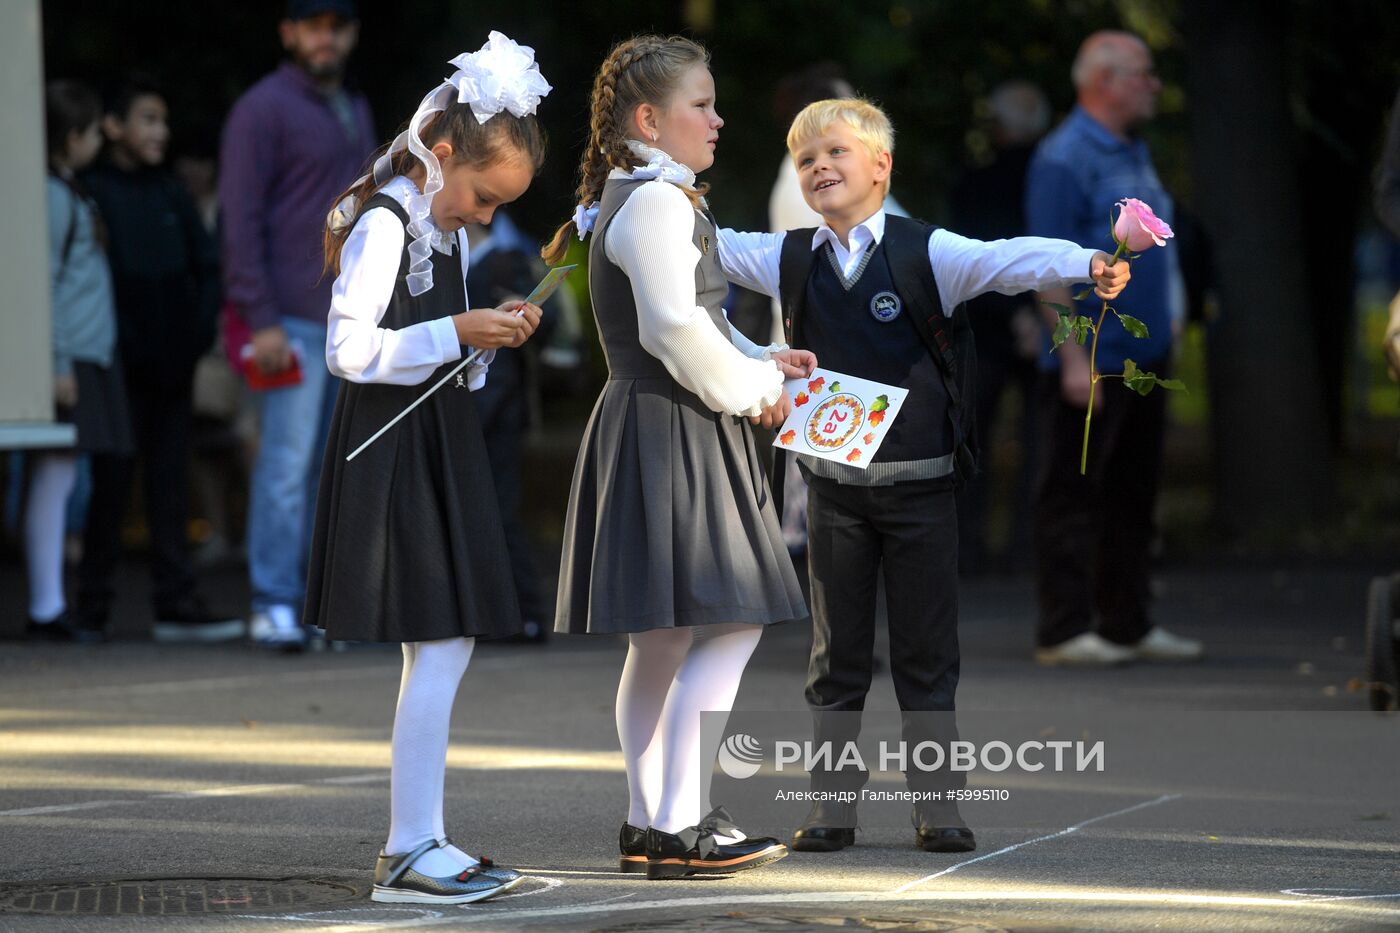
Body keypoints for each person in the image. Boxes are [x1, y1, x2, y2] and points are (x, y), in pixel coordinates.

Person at [715, 97, 1131, 853]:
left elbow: (1009, 258)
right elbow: (694, 245)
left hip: (922, 488)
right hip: (834, 493)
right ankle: (832, 808)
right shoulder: (786, 255)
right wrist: (621, 204)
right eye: (806, 160)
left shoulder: (926, 251)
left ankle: (938, 808)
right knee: (834, 659)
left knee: (926, 654)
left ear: (882, 166)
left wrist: (1086, 263)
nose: (820, 168)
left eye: (836, 152)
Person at [544, 34, 805, 881]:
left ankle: (652, 822)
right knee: (731, 620)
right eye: (703, 103)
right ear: (650, 119)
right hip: (676, 421)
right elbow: (670, 327)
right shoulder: (655, 201)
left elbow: (696, 316)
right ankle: (681, 820)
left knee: (660, 639)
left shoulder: (641, 194)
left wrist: (764, 363)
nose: (718, 119)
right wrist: (747, 389)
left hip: (657, 418)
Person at [303, 31, 549, 904]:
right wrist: (459, 331)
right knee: (440, 638)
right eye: (483, 196)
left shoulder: (444, 227)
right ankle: (408, 849)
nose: (485, 216)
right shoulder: (384, 222)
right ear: (440, 156)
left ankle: (421, 840)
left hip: (436, 437)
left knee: (444, 640)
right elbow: (348, 349)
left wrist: (484, 335)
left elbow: (438, 345)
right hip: (391, 447)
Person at [1025, 31, 1202, 666]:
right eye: (1143, 74)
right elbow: (1044, 265)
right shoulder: (1064, 157)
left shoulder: (1130, 148)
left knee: (1133, 492)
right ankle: (1066, 627)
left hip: (1143, 358)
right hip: (1092, 359)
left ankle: (1127, 621)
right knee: (1074, 492)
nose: (1154, 85)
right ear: (1104, 81)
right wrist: (1072, 358)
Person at [219, 0, 376, 650]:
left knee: (329, 467)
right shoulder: (261, 109)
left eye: (336, 24)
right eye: (312, 25)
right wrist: (259, 318)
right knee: (285, 466)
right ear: (287, 32)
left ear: (352, 33)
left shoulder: (355, 107)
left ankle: (316, 607)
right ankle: (273, 601)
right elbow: (239, 216)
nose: (325, 36)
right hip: (287, 316)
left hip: (345, 316)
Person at [76, 74, 242, 642]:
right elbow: (92, 282)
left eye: (163, 121)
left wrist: (195, 336)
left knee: (171, 486)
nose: (160, 131)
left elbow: (207, 266)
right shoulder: (91, 190)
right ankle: (89, 608)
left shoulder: (172, 192)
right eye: (147, 119)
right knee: (111, 483)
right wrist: (126, 344)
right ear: (112, 126)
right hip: (120, 365)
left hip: (174, 364)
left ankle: (176, 602)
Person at [25, 81, 134, 642]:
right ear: (71, 138)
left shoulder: (67, 191)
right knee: (56, 474)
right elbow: (41, 287)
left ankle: (49, 604)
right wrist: (57, 361)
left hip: (88, 354)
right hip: (71, 357)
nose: (99, 140)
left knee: (62, 476)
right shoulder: (52, 196)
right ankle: (46, 607)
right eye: (93, 131)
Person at [949, 80, 1053, 575]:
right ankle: (1030, 545)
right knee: (1040, 438)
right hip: (1046, 318)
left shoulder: (979, 181)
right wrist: (1037, 315)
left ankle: (969, 548)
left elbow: (970, 255)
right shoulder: (1054, 175)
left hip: (989, 326)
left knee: (973, 439)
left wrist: (1011, 314)